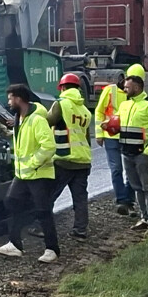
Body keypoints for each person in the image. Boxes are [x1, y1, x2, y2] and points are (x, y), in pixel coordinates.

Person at [0, 83, 60, 264]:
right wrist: (7, 132)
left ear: (19, 99)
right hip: (23, 175)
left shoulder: (37, 120)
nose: (8, 102)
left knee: (43, 211)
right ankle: (15, 245)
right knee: (11, 202)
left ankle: (52, 249)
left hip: (38, 174)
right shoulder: (19, 119)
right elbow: (22, 142)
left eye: (10, 98)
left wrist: (33, 164)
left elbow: (49, 146)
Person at [118, 64, 148, 232]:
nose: (124, 89)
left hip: (142, 154)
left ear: (137, 87)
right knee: (137, 187)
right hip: (127, 153)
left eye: (127, 86)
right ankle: (144, 218)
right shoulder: (125, 105)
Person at [47, 73, 92, 239]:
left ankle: (43, 228)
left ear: (63, 88)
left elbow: (47, 122)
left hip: (64, 159)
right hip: (83, 160)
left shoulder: (61, 104)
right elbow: (86, 137)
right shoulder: (85, 111)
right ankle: (80, 230)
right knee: (80, 198)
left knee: (48, 196)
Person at [94, 72, 134, 215]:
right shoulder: (110, 90)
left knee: (130, 169)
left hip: (128, 135)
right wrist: (99, 134)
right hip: (110, 136)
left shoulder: (135, 95)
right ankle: (122, 200)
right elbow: (99, 112)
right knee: (116, 168)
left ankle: (129, 200)